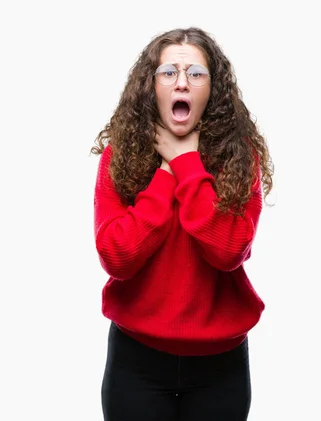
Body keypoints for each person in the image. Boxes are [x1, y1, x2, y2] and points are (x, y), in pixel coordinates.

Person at [90, 27, 274, 421]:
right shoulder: (119, 157)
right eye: (168, 72)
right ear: (150, 86)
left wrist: (187, 163)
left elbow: (228, 250)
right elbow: (117, 257)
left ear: (213, 89)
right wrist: (167, 173)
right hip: (135, 363)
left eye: (196, 73)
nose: (182, 82)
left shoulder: (240, 159)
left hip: (219, 369)